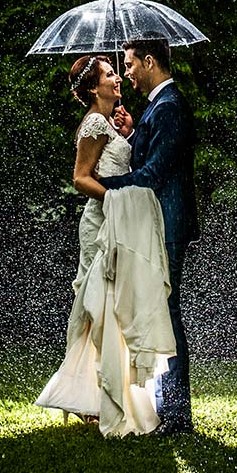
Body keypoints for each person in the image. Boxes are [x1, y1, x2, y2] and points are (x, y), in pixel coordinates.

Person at [35, 55, 177, 438]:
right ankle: (90, 397)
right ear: (94, 87)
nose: (118, 78)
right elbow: (81, 178)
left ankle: (108, 396)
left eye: (117, 71)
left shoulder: (111, 123)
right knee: (97, 310)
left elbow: (118, 164)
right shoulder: (95, 123)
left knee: (113, 309)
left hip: (119, 225)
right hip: (101, 225)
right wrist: (116, 200)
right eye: (111, 74)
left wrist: (128, 134)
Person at [99, 37, 199, 436]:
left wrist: (104, 185)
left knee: (168, 316)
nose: (126, 73)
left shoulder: (171, 106)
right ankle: (166, 410)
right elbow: (153, 153)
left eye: (129, 64)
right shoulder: (159, 107)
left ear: (149, 61)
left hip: (168, 226)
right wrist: (135, 131)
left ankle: (176, 417)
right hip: (157, 224)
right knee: (161, 314)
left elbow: (154, 173)